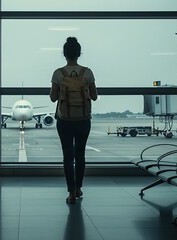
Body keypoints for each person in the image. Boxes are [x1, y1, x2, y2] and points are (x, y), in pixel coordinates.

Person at [49, 37, 98, 204]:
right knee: (81, 155)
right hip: (84, 119)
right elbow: (94, 96)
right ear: (79, 53)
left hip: (65, 120)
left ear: (64, 54)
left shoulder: (58, 73)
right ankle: (78, 188)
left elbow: (53, 98)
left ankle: (70, 193)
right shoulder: (87, 72)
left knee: (67, 156)